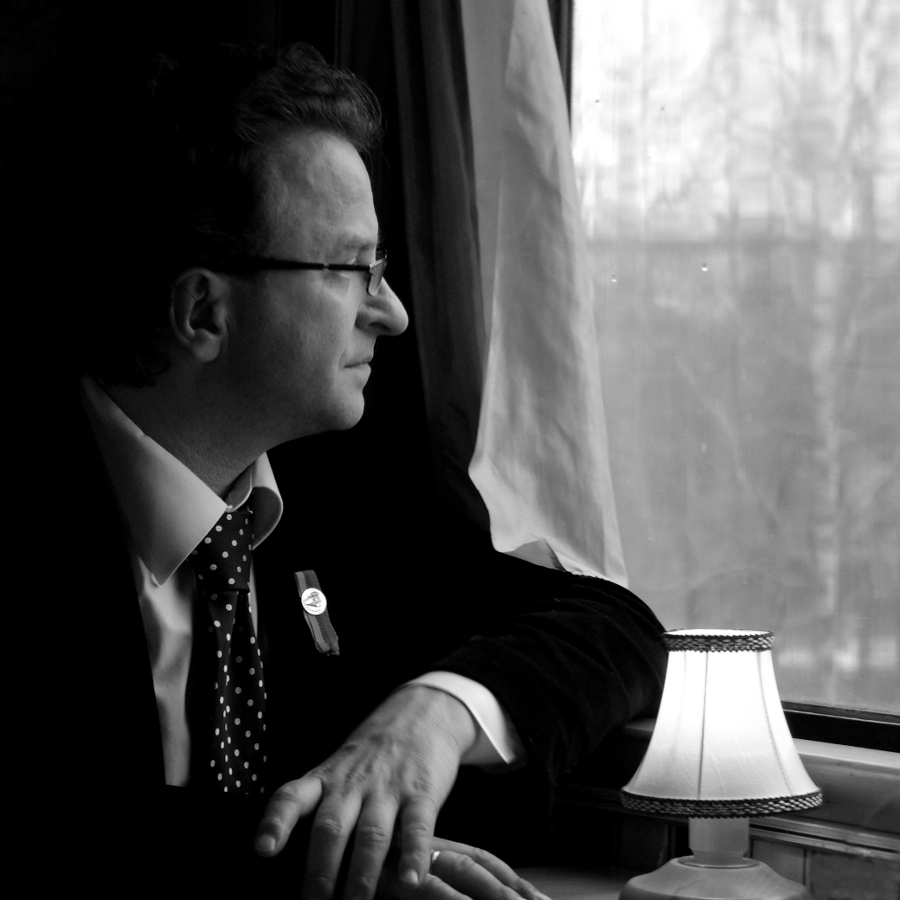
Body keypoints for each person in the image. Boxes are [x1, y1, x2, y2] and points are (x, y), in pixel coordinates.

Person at [14, 42, 666, 894]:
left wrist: (434, 714)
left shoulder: (348, 493)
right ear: (203, 311)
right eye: (352, 269)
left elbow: (614, 626)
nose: (391, 313)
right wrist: (338, 859)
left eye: (381, 269)